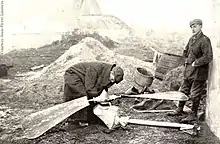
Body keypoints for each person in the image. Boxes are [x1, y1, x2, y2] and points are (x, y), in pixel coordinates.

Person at [168, 19, 213, 123]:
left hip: (199, 72)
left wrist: (196, 62)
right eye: (192, 27)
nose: (193, 29)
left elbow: (208, 56)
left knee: (195, 94)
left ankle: (193, 115)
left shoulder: (205, 40)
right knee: (183, 90)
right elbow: (186, 51)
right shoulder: (192, 39)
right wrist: (186, 59)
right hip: (189, 71)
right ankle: (179, 109)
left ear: (201, 26)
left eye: (195, 26)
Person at [63, 61, 124, 126]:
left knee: (92, 97)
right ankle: (80, 119)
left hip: (84, 78)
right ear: (111, 72)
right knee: (83, 95)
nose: (112, 82)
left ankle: (88, 114)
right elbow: (89, 88)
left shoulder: (108, 74)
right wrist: (99, 97)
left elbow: (103, 87)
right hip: (73, 74)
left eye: (114, 82)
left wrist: (104, 96)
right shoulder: (95, 69)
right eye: (112, 80)